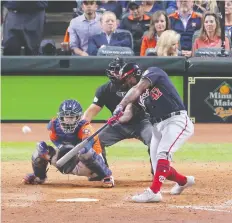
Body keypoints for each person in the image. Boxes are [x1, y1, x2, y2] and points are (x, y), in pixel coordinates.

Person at [111, 62, 195, 203]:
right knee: (159, 169)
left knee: (163, 154)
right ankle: (184, 181)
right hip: (158, 126)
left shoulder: (152, 72)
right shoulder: (135, 94)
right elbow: (128, 114)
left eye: (127, 78)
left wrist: (120, 104)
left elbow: (138, 88)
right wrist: (117, 119)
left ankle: (154, 192)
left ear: (135, 73)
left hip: (176, 120)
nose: (127, 82)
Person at [82, 58, 153, 175]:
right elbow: (91, 111)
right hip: (118, 125)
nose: (118, 74)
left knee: (154, 140)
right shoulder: (104, 89)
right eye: (115, 71)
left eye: (120, 71)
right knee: (96, 141)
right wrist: (82, 129)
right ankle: (102, 172)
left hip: (142, 122)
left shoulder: (138, 85)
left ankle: (157, 171)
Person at [22, 99, 114, 188]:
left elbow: (88, 145)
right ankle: (39, 177)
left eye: (71, 118)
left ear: (78, 117)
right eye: (66, 117)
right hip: (67, 161)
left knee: (85, 152)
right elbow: (55, 141)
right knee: (40, 150)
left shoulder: (85, 127)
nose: (68, 121)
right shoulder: (54, 125)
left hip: (90, 166)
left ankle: (106, 177)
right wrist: (49, 152)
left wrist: (75, 151)